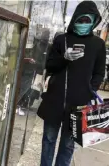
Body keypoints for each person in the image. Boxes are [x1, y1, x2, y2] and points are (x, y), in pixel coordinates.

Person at [37, 1, 105, 166]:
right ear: (74, 19)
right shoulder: (61, 39)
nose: (83, 24)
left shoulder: (98, 45)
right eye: (80, 20)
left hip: (79, 105)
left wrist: (90, 91)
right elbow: (50, 66)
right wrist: (64, 59)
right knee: (48, 140)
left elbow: (99, 73)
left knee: (68, 146)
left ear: (94, 21)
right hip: (55, 100)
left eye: (87, 20)